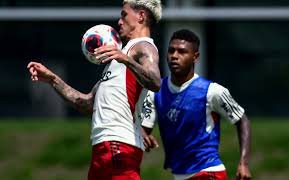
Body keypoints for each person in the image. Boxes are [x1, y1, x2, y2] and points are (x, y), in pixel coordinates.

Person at [27, 0, 162, 179]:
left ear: (141, 16)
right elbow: (87, 104)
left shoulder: (143, 47)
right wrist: (53, 80)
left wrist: (125, 59)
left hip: (119, 145)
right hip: (102, 147)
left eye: (124, 15)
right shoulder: (119, 57)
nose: (119, 21)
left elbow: (155, 81)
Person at [141, 29, 252, 180]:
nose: (174, 56)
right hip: (179, 174)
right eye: (171, 50)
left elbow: (242, 120)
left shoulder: (212, 91)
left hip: (207, 171)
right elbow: (143, 130)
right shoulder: (155, 91)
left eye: (182, 52)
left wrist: (243, 163)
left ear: (196, 57)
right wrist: (142, 135)